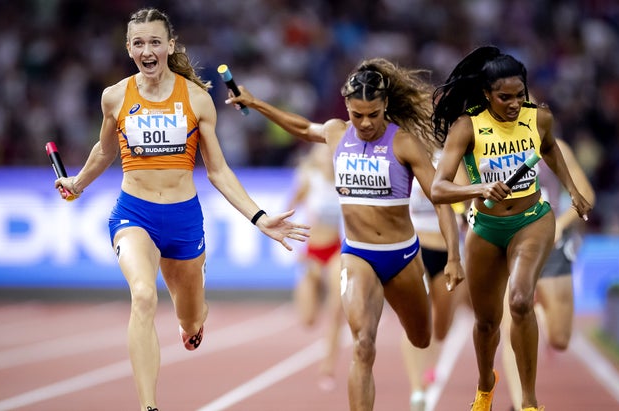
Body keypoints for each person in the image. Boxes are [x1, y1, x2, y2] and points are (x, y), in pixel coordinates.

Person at [52, 8, 309, 411]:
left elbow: (218, 170)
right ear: (129, 48)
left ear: (170, 46)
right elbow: (105, 150)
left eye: (155, 42)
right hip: (133, 213)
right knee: (143, 295)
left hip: (183, 220)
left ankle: (192, 316)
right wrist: (78, 183)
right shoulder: (115, 96)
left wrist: (259, 218)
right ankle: (149, 406)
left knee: (190, 319)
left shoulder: (196, 99)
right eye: (139, 43)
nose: (147, 50)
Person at [227, 57, 465, 411]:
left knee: (422, 336)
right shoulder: (338, 132)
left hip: (401, 256)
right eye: (358, 115)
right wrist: (256, 102)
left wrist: (454, 256)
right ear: (347, 108)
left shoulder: (404, 144)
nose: (366, 123)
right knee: (362, 345)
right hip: (357, 255)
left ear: (386, 106)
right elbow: (302, 128)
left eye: (373, 114)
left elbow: (443, 200)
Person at [429, 46, 592, 411]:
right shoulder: (467, 126)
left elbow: (550, 149)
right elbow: (439, 189)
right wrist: (479, 188)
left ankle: (530, 402)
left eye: (520, 95)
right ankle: (486, 385)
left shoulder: (539, 119)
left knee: (520, 301)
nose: (514, 103)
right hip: (486, 228)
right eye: (505, 97)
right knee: (487, 323)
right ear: (487, 93)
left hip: (533, 220)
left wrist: (573, 191)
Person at [500, 138, 596, 410]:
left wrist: (561, 225)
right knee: (510, 327)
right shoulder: (490, 143)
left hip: (551, 245)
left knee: (560, 339)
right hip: (511, 242)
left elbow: (586, 193)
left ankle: (538, 314)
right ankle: (522, 405)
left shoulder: (554, 147)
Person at [403, 150, 468, 411]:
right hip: (415, 249)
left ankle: (433, 360)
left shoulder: (451, 157)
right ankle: (417, 389)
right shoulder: (404, 152)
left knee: (441, 325)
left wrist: (458, 207)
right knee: (414, 320)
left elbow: (465, 194)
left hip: (447, 252)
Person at [287, 143, 345, 390]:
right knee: (308, 319)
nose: (327, 156)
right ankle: (311, 292)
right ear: (315, 157)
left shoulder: (346, 180)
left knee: (337, 307)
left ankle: (328, 366)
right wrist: (293, 245)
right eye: (322, 152)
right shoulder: (309, 180)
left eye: (331, 151)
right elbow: (289, 210)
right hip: (312, 252)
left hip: (336, 250)